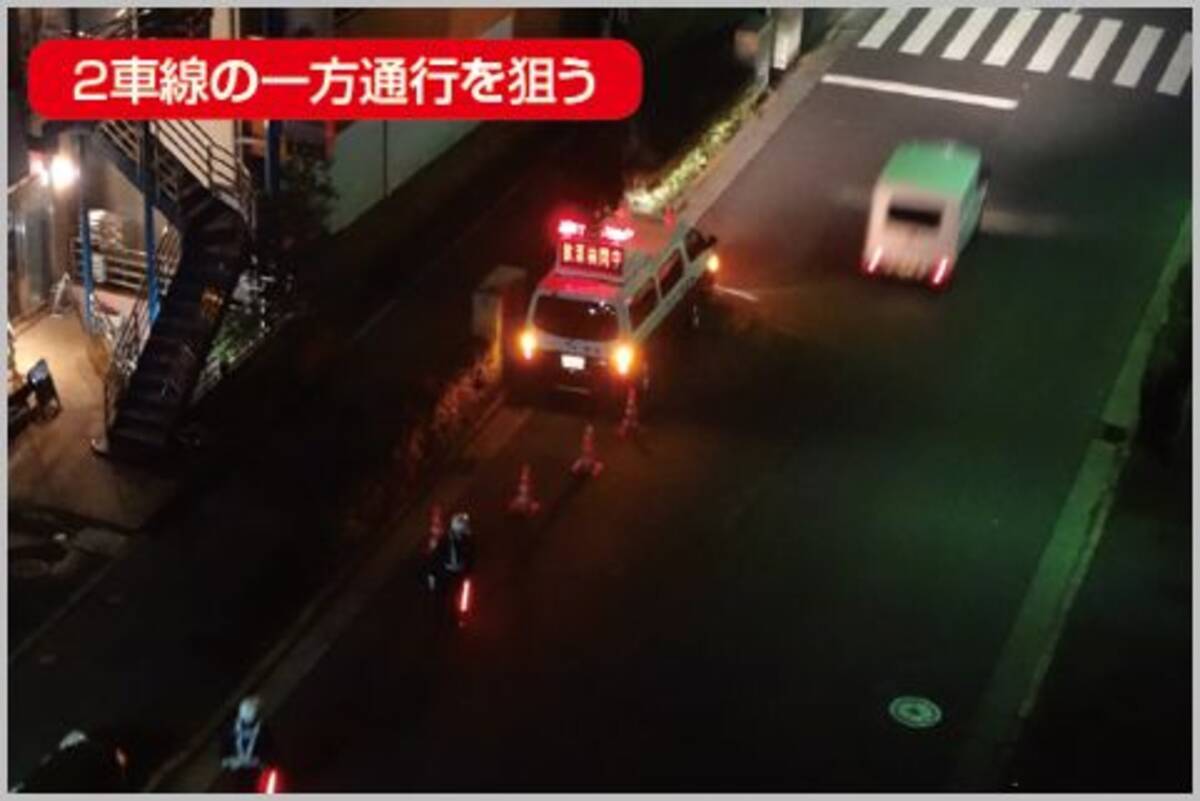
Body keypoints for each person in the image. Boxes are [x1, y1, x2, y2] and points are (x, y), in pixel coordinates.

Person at [220, 696, 275, 773]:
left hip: (254, 768)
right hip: (238, 768)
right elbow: (224, 747)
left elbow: (269, 747)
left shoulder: (262, 730)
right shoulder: (230, 728)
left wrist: (262, 762)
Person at [426, 512, 473, 591]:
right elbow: (435, 558)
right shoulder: (446, 541)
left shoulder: (464, 541)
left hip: (458, 573)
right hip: (447, 574)